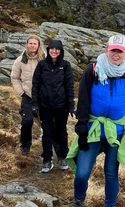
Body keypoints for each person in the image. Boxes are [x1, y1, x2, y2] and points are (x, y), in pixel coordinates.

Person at [66, 35, 125, 207]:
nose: (116, 54)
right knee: (82, 173)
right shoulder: (93, 70)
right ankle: (78, 201)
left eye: (120, 51)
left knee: (111, 173)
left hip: (117, 131)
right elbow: (83, 100)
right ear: (106, 50)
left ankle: (110, 205)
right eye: (113, 50)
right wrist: (81, 128)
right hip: (93, 128)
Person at [31, 39, 75, 173]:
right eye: (52, 49)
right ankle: (47, 160)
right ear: (48, 50)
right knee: (47, 133)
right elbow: (35, 85)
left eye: (57, 49)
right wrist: (34, 104)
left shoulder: (66, 65)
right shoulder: (42, 65)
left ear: (60, 51)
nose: (54, 51)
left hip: (62, 106)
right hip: (45, 106)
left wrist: (71, 105)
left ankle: (63, 157)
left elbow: (69, 87)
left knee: (62, 133)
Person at [10, 35, 46, 156]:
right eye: (30, 43)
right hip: (28, 96)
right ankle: (25, 147)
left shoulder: (45, 59)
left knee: (48, 123)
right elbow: (14, 77)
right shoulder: (20, 60)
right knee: (26, 122)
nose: (32, 46)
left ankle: (50, 149)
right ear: (26, 44)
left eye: (35, 44)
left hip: (43, 97)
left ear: (38, 45)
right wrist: (21, 92)